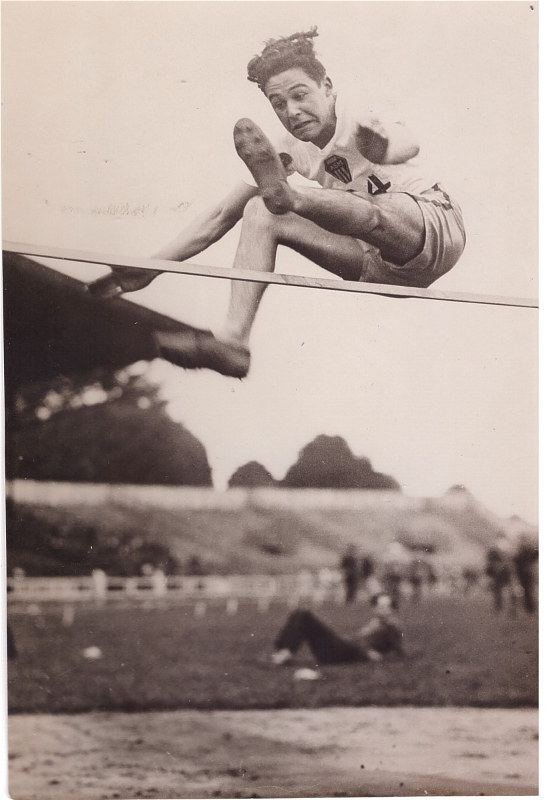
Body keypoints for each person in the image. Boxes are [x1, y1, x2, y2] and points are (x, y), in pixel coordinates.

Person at [89, 28, 465, 379]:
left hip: (432, 230)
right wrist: (151, 268)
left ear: (327, 87)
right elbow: (221, 215)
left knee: (372, 208)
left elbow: (408, 144)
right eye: (278, 104)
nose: (292, 112)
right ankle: (234, 342)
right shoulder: (285, 150)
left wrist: (379, 148)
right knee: (259, 211)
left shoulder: (360, 115)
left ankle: (294, 198)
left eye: (300, 95)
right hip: (378, 267)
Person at [271, 592, 404, 666]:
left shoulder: (391, 626)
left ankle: (285, 652)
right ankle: (283, 651)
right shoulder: (377, 622)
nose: (381, 609)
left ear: (393, 609)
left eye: (386, 607)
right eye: (378, 606)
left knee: (304, 615)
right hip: (343, 649)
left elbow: (398, 650)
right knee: (298, 614)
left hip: (347, 653)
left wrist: (373, 654)